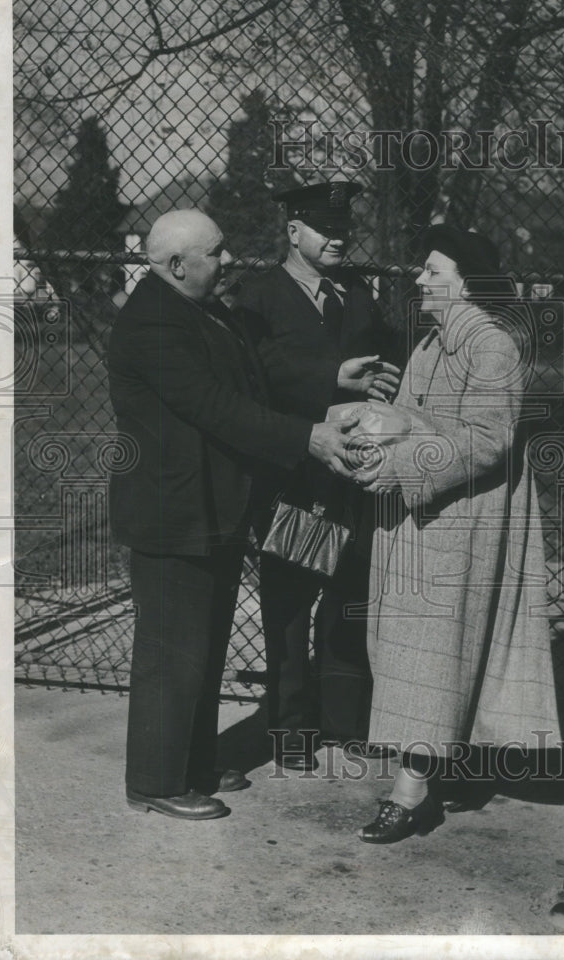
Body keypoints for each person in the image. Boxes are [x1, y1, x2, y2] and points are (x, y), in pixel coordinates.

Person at [107, 209, 360, 820]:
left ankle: (191, 762)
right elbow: (217, 406)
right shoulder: (152, 325)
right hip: (174, 511)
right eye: (216, 253)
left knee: (204, 643)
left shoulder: (200, 309)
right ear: (174, 266)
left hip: (212, 506)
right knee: (173, 649)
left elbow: (250, 379)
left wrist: (327, 384)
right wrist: (308, 438)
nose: (229, 263)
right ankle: (155, 780)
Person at [353, 224, 562, 844]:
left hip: (460, 519)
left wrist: (398, 462)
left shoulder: (489, 347)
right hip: (422, 518)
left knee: (432, 651)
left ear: (466, 284)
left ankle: (410, 793)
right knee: (419, 652)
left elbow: (487, 440)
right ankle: (441, 765)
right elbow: (431, 421)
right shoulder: (433, 344)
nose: (420, 278)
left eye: (433, 270)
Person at [234, 181, 400, 770]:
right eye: (325, 228)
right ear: (293, 231)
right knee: (290, 607)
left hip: (355, 474)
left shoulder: (355, 292)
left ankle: (344, 721)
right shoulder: (258, 298)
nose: (338, 238)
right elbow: (256, 375)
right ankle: (291, 733)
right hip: (297, 476)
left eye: (344, 228)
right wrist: (334, 376)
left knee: (348, 598)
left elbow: (384, 356)